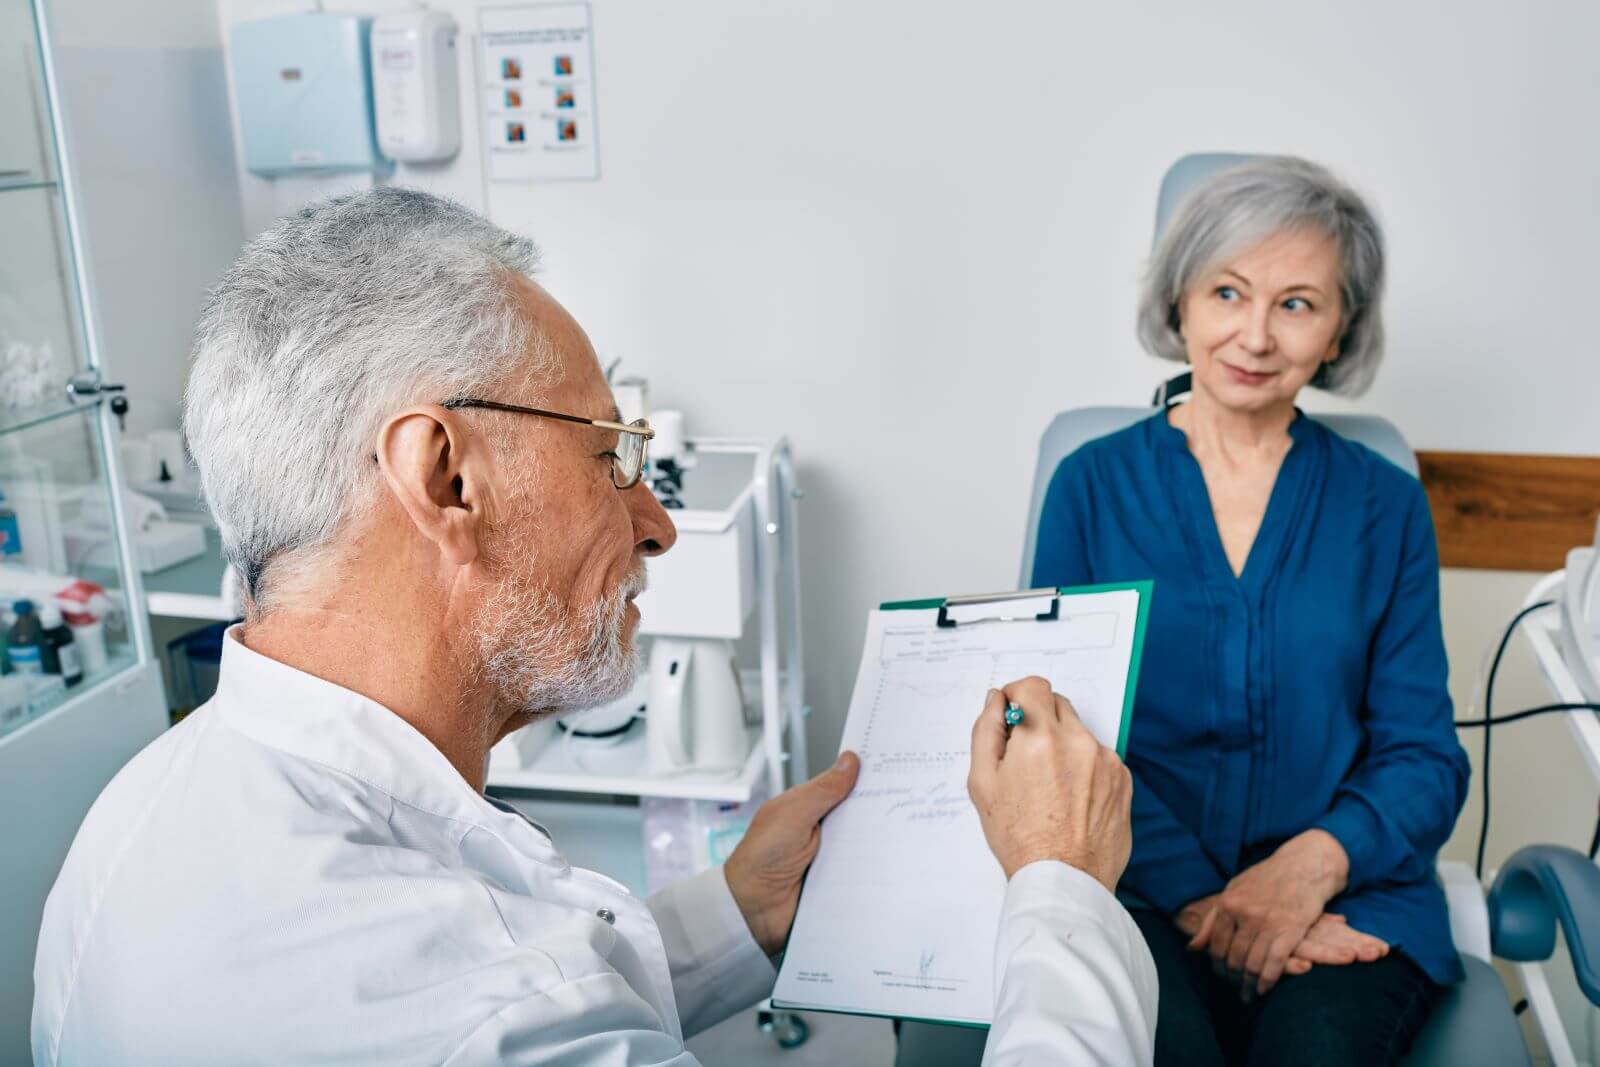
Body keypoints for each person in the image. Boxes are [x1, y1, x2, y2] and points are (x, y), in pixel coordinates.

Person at [33, 189, 1156, 1065]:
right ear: (444, 476)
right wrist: (1059, 888)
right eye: (610, 454)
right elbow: (511, 1004)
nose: (656, 523)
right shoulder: (477, 1011)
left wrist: (736, 908)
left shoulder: (141, 810)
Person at [1031, 156, 1471, 1065]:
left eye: (1298, 303)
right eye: (1228, 292)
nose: (1256, 336)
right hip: (1134, 888)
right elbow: (1062, 731)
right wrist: (1206, 900)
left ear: (1341, 331)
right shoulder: (1091, 486)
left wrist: (1312, 867)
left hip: (1348, 897)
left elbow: (1422, 754)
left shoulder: (1384, 505)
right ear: (1181, 303)